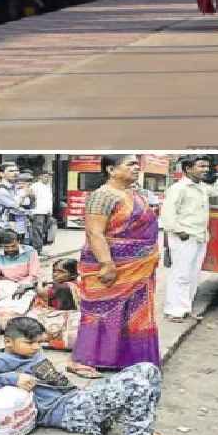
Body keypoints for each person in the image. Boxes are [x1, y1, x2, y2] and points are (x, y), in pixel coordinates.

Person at [0, 317, 183, 435]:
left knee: (147, 369)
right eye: (30, 343)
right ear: (8, 341)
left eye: (39, 342)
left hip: (75, 398)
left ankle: (141, 428)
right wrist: (10, 378)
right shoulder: (1, 361)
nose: (37, 347)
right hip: (64, 411)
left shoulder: (28, 353)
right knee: (138, 385)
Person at [71, 155, 160, 378]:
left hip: (139, 267)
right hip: (111, 265)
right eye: (130, 164)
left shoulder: (135, 195)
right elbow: (94, 232)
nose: (136, 167)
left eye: (137, 164)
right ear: (111, 169)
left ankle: (129, 359)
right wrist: (106, 264)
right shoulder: (103, 195)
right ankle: (84, 360)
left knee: (134, 312)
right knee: (99, 312)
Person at [159, 156, 218, 322]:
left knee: (193, 274)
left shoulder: (201, 187)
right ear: (188, 168)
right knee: (180, 274)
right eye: (201, 166)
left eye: (207, 166)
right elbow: (167, 214)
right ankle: (174, 311)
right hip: (184, 237)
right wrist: (179, 231)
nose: (205, 169)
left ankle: (185, 309)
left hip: (199, 236)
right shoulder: (178, 188)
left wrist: (216, 177)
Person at [0, 164, 34, 248]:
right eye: (11, 171)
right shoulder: (0, 190)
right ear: (1, 174)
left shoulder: (14, 188)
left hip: (18, 227)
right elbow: (15, 206)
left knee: (20, 254)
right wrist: (24, 195)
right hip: (6, 229)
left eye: (17, 171)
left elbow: (26, 204)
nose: (15, 173)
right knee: (10, 256)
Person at [29, 172, 54, 256]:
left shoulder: (48, 186)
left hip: (47, 212)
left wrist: (50, 211)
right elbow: (31, 199)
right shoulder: (35, 186)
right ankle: (37, 249)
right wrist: (32, 211)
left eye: (49, 177)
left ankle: (40, 248)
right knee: (37, 231)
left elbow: (49, 200)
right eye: (45, 177)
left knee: (43, 231)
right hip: (38, 211)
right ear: (40, 177)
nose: (47, 179)